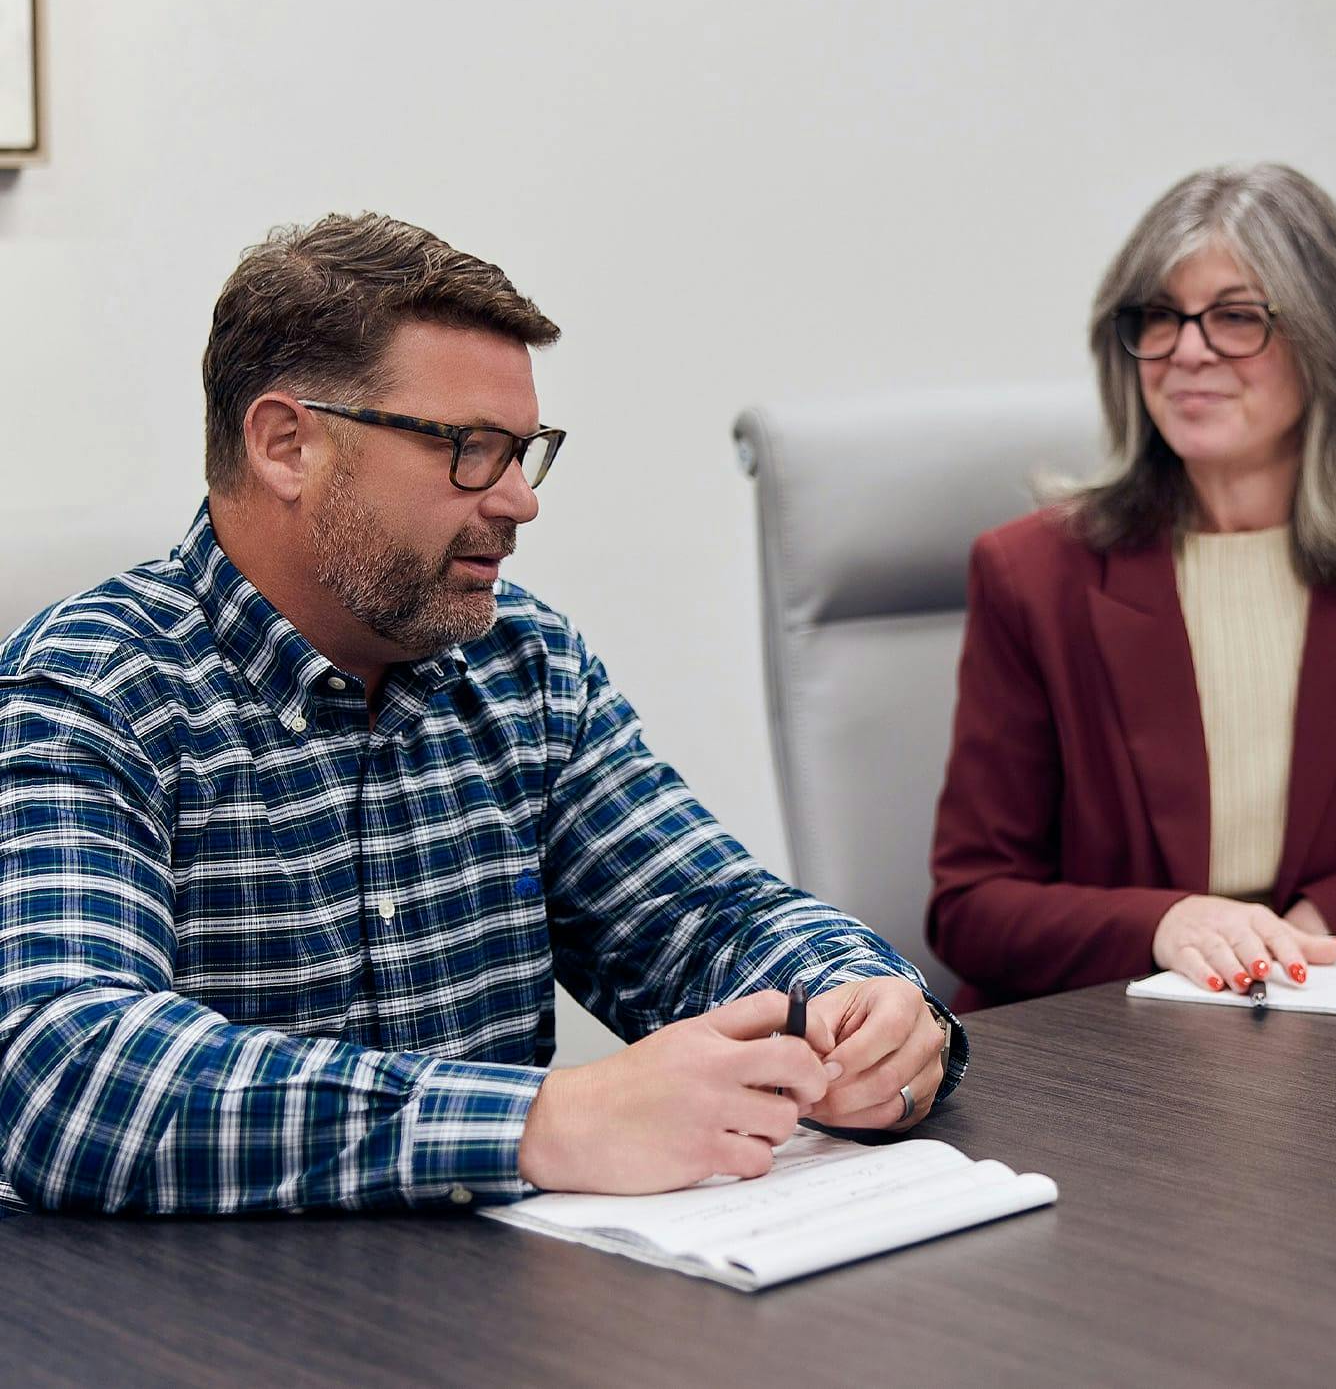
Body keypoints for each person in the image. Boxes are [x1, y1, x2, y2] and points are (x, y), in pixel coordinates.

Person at [0, 213, 964, 1215]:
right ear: (287, 444)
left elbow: (700, 918)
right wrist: (539, 1121)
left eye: (523, 451)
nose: (518, 500)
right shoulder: (85, 692)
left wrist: (861, 1002)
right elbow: (63, 1069)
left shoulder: (524, 664)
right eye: (468, 448)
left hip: (499, 1308)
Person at [927, 163, 1336, 1010]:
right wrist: (1167, 922)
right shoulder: (1034, 573)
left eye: (1237, 317)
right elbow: (971, 907)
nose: (1187, 352)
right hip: (1113, 1042)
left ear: (1329, 343)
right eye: (1159, 318)